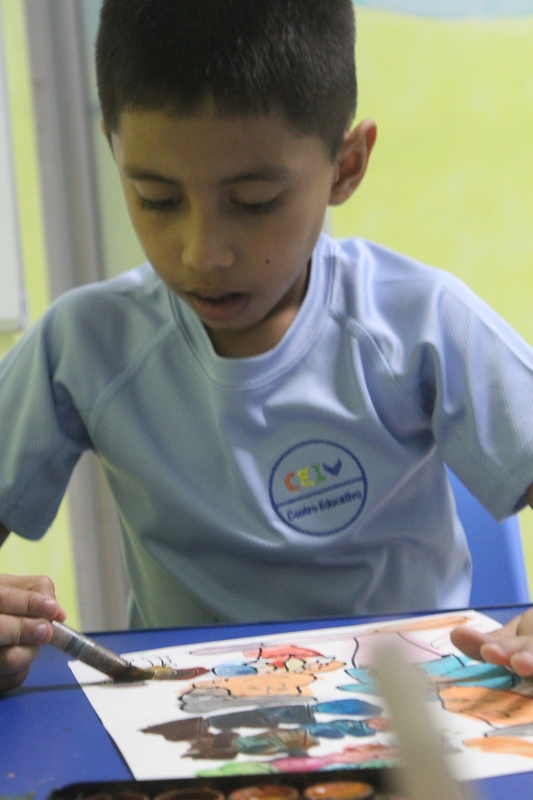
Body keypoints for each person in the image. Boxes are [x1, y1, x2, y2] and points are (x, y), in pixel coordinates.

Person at [1, 0, 532, 694]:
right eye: (156, 199)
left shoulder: (417, 322)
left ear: (345, 166)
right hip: (192, 725)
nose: (203, 252)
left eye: (253, 202)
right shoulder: (83, 347)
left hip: (416, 721)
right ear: (113, 151)